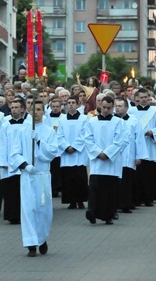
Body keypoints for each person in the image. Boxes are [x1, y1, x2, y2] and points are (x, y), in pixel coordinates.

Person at [6, 99, 63, 257]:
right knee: (28, 208)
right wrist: (24, 165)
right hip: (28, 175)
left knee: (43, 209)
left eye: (39, 109)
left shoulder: (49, 131)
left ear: (43, 112)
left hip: (42, 176)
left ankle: (42, 237)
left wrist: (39, 141)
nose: (36, 112)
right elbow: (14, 153)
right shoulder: (22, 131)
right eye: (33, 109)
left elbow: (52, 153)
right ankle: (31, 243)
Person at [83, 96, 128, 225]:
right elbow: (88, 139)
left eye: (109, 108)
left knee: (110, 191)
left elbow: (120, 140)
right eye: (104, 107)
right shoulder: (92, 122)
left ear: (113, 107)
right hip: (97, 162)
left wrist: (107, 153)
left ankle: (108, 215)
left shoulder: (118, 122)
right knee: (94, 189)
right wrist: (98, 153)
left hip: (111, 163)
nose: (106, 110)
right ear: (100, 106)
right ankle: (92, 212)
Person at [58, 96, 89, 209]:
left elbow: (84, 134)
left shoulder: (84, 119)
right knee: (68, 178)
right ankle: (71, 201)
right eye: (69, 103)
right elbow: (59, 136)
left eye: (73, 103)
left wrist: (75, 147)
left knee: (79, 178)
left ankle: (80, 200)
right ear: (66, 105)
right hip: (66, 153)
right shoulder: (62, 120)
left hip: (79, 153)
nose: (71, 105)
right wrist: (66, 147)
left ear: (77, 104)